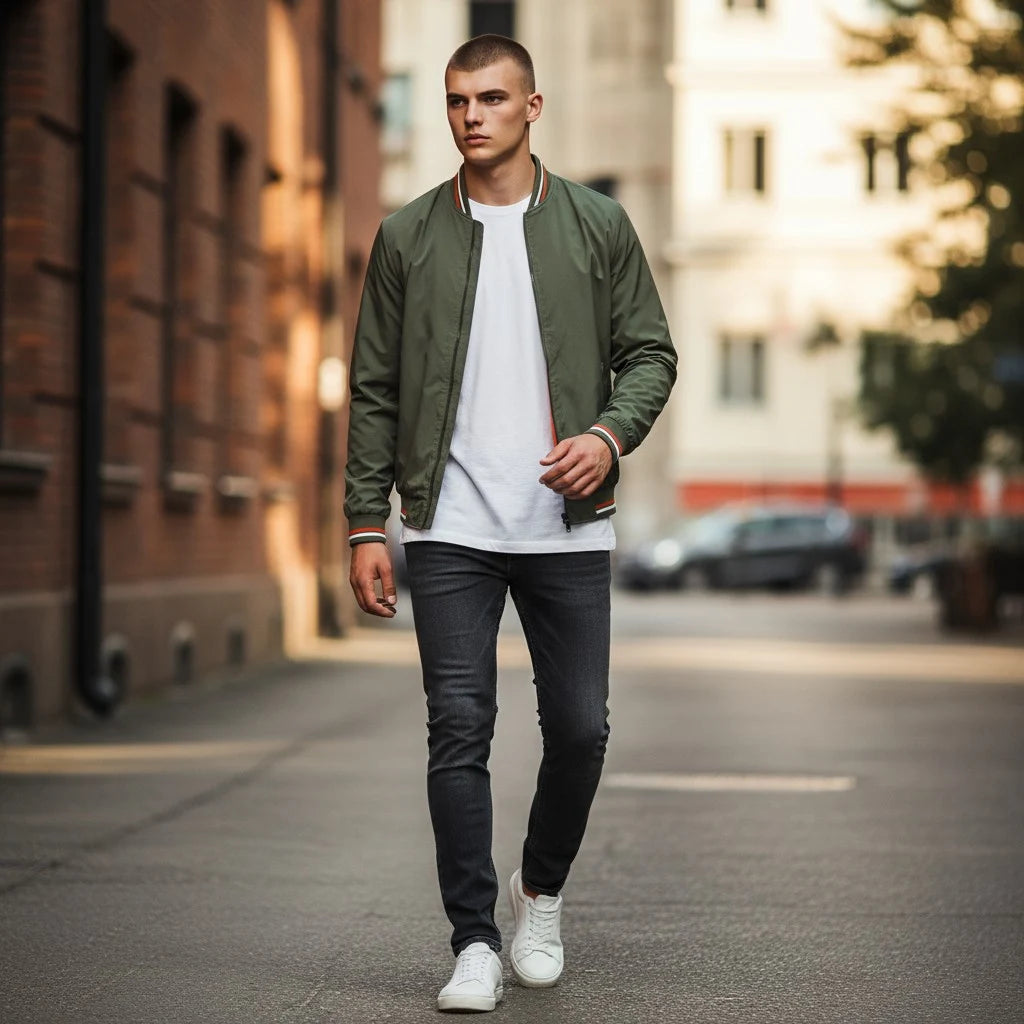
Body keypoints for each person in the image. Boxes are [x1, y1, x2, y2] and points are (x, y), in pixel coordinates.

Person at [344, 34, 676, 1013]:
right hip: (447, 521)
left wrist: (608, 437)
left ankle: (541, 890)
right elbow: (373, 387)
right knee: (458, 727)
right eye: (457, 100)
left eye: (491, 99)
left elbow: (649, 353)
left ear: (532, 108)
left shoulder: (597, 225)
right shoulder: (406, 236)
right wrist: (366, 523)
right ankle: (473, 941)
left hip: (565, 524)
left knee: (579, 728)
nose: (471, 116)